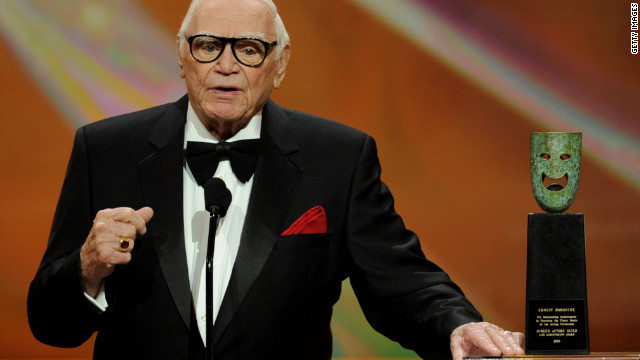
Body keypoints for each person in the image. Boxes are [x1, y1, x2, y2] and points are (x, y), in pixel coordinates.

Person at [27, 0, 525, 359]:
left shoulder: (339, 158)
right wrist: (86, 270)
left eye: (248, 48)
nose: (225, 65)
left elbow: (403, 283)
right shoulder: (107, 149)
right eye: (207, 46)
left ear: (279, 63)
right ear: (181, 57)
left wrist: (457, 326)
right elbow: (49, 324)